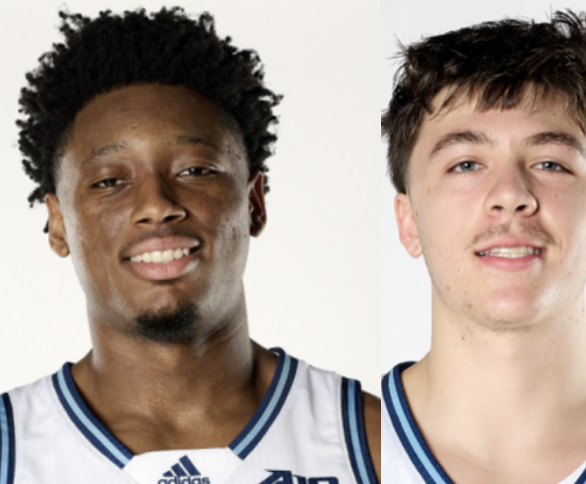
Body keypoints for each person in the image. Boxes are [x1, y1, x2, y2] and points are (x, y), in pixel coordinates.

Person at [0, 8, 379, 483]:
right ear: (58, 224)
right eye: (110, 180)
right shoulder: (11, 449)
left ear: (254, 203)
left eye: (195, 170)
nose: (157, 205)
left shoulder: (370, 444)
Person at [380, 10, 586, 483]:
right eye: (466, 164)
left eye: (550, 163)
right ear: (409, 223)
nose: (510, 195)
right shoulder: (342, 450)